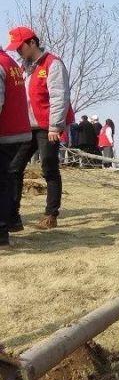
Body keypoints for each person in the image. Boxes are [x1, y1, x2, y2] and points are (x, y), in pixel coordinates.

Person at [7, 27, 73, 230]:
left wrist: (55, 126)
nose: (17, 51)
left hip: (48, 127)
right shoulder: (22, 68)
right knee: (14, 168)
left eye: (20, 47)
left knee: (49, 168)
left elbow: (59, 96)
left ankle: (51, 214)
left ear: (32, 43)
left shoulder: (53, 64)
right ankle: (12, 215)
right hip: (27, 127)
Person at [0, 45, 32, 245]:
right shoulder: (9, 62)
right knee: (5, 181)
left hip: (5, 134)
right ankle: (5, 228)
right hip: (15, 133)